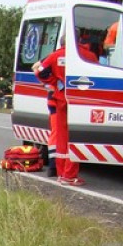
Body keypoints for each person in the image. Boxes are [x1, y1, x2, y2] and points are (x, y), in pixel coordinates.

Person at [33, 35, 84, 186]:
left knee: (60, 137)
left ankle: (60, 172)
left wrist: (55, 83)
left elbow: (39, 71)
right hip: (76, 99)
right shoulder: (80, 56)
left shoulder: (55, 56)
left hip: (59, 99)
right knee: (74, 136)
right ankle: (69, 174)